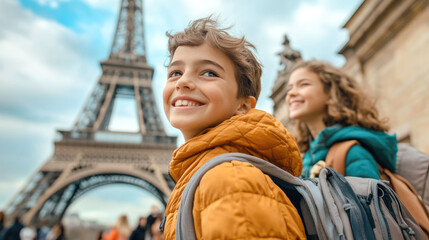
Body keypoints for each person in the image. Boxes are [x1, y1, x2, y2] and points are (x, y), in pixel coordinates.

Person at [162, 16, 306, 239]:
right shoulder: (209, 173)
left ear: (243, 105)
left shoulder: (230, 180)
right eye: (175, 73)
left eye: (209, 73)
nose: (183, 81)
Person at [285, 60, 397, 179]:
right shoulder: (306, 157)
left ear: (330, 92)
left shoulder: (353, 153)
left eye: (304, 84)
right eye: (290, 88)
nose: (291, 93)